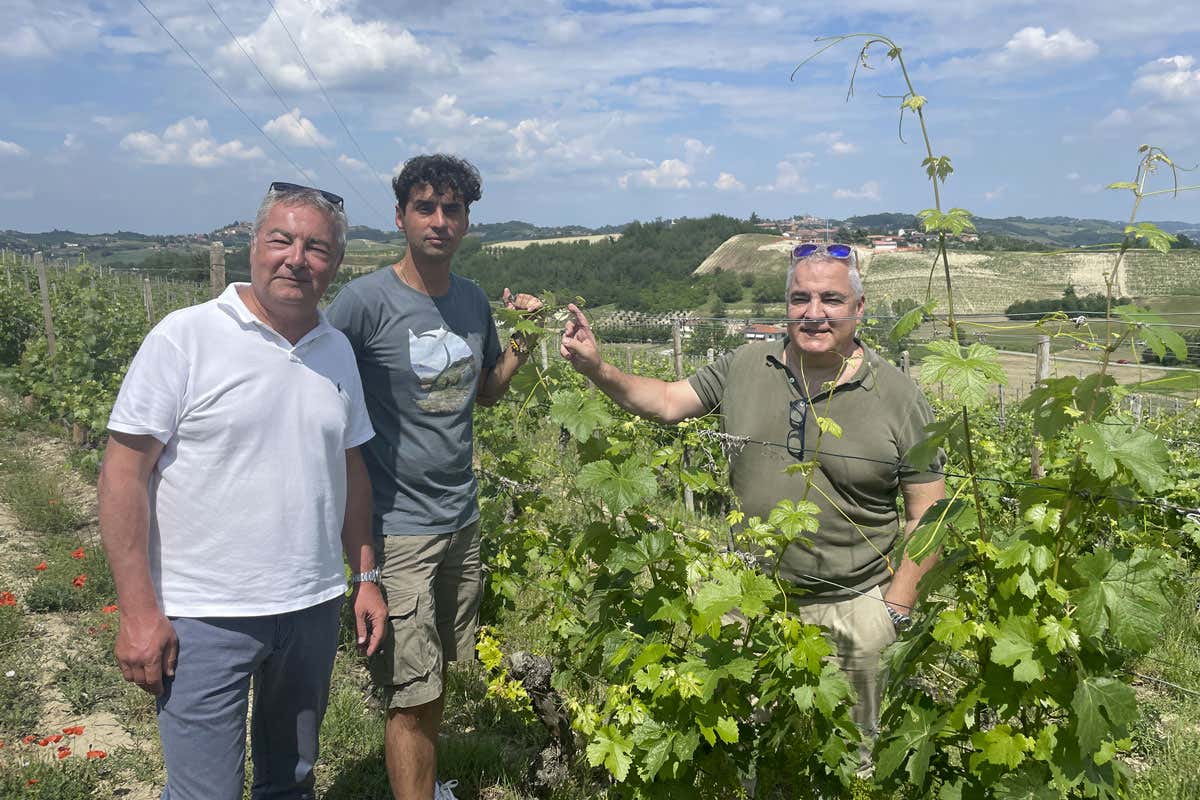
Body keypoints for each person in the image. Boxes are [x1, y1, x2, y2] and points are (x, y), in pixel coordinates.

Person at [559, 242, 945, 749]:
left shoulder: (898, 394)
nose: (813, 314)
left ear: (858, 308)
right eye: (799, 299)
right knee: (748, 751)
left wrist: (894, 607)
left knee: (852, 760)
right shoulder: (745, 364)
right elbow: (670, 401)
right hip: (750, 602)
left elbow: (929, 512)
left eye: (830, 299)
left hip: (853, 609)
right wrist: (597, 368)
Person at [99, 182, 387, 800]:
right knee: (208, 792)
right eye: (281, 239)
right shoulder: (185, 338)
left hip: (310, 609)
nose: (296, 258)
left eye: (316, 247)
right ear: (252, 245)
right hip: (206, 614)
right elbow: (123, 474)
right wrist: (139, 611)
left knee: (291, 782)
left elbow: (352, 471)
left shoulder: (336, 351)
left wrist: (365, 578)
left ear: (336, 263)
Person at [326, 154, 543, 800]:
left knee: (435, 678)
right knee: (410, 693)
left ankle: (425, 786)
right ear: (400, 217)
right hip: (398, 531)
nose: (440, 221)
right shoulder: (364, 303)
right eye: (425, 207)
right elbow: (311, 373)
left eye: (453, 210)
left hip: (460, 523)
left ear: (468, 221)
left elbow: (483, 393)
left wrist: (521, 348)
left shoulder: (472, 301)